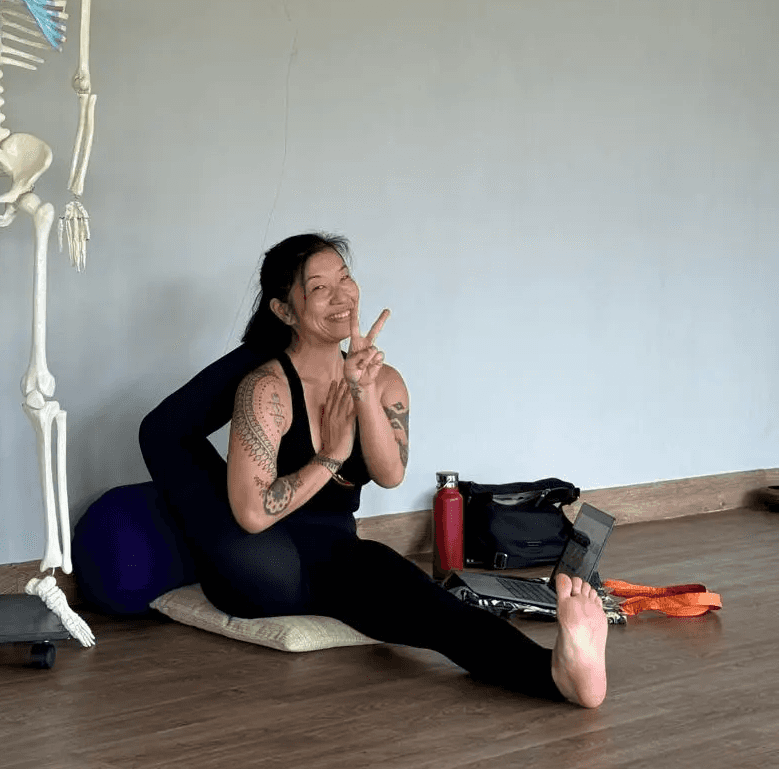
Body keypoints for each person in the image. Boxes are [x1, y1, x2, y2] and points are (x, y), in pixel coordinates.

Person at [140, 233, 608, 707]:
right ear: (284, 310)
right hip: (257, 562)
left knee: (436, 609)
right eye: (319, 288)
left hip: (337, 552)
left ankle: (559, 676)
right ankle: (276, 329)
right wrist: (332, 454)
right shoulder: (266, 389)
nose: (341, 295)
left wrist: (362, 391)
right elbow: (253, 515)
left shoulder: (384, 381)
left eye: (344, 278)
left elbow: (390, 474)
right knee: (164, 437)